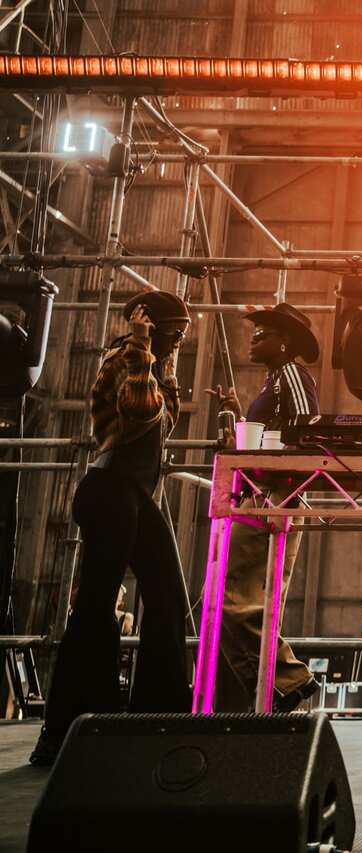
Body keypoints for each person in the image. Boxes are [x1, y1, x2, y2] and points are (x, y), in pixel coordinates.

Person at [30, 290, 193, 765]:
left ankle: (155, 715)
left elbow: (166, 420)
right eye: (175, 332)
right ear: (149, 325)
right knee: (96, 608)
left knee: (167, 599)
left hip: (134, 496)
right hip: (110, 491)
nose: (180, 340)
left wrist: (166, 361)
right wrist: (144, 349)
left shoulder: (152, 364)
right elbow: (142, 414)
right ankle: (63, 731)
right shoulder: (122, 359)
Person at [205, 303, 320, 712]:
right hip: (264, 494)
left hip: (273, 497)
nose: (252, 340)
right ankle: (258, 696)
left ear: (284, 341)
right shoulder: (273, 383)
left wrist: (278, 490)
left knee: (228, 597)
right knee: (232, 601)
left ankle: (288, 681)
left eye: (262, 333)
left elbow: (306, 432)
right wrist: (238, 415)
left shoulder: (290, 374)